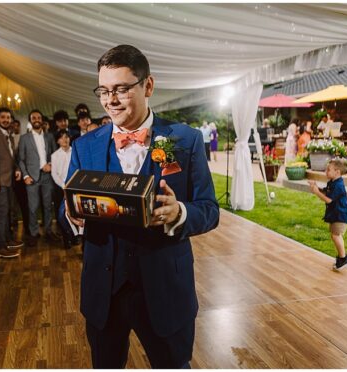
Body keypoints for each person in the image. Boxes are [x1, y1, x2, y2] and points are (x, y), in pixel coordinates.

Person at [63, 45, 219, 369]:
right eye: (104, 91)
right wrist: (72, 217)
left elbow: (209, 209)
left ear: (148, 86)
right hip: (104, 293)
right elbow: (66, 209)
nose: (111, 100)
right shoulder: (84, 146)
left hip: (165, 291)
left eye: (121, 89)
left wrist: (181, 214)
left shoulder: (182, 141)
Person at [0, 108, 24, 258]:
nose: (6, 120)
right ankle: (0, 247)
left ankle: (7, 240)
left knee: (7, 211)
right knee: (1, 213)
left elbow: (11, 157)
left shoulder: (9, 135)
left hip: (8, 179)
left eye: (8, 117)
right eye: (3, 117)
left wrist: (17, 169)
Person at [16, 109, 58, 246]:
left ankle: (48, 231)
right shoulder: (24, 138)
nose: (37, 119)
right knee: (33, 207)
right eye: (34, 118)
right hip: (31, 177)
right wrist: (25, 176)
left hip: (47, 177)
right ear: (30, 120)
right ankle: (33, 233)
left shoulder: (49, 137)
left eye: (39, 117)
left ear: (42, 120)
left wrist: (50, 164)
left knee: (47, 206)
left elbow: (54, 154)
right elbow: (20, 159)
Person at [308, 158, 347, 270]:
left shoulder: (339, 185)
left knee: (336, 235)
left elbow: (329, 200)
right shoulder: (332, 183)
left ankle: (343, 258)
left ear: (337, 172)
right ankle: (341, 257)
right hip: (335, 214)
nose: (325, 172)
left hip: (340, 215)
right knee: (334, 235)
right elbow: (327, 192)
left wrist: (317, 193)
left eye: (328, 170)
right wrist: (316, 188)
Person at [49, 129, 78, 246]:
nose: (64, 139)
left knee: (74, 213)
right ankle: (67, 236)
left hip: (74, 186)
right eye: (61, 137)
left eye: (66, 137)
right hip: (61, 188)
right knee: (61, 214)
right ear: (58, 141)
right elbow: (54, 173)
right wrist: (63, 185)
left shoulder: (75, 152)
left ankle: (75, 236)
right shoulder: (55, 155)